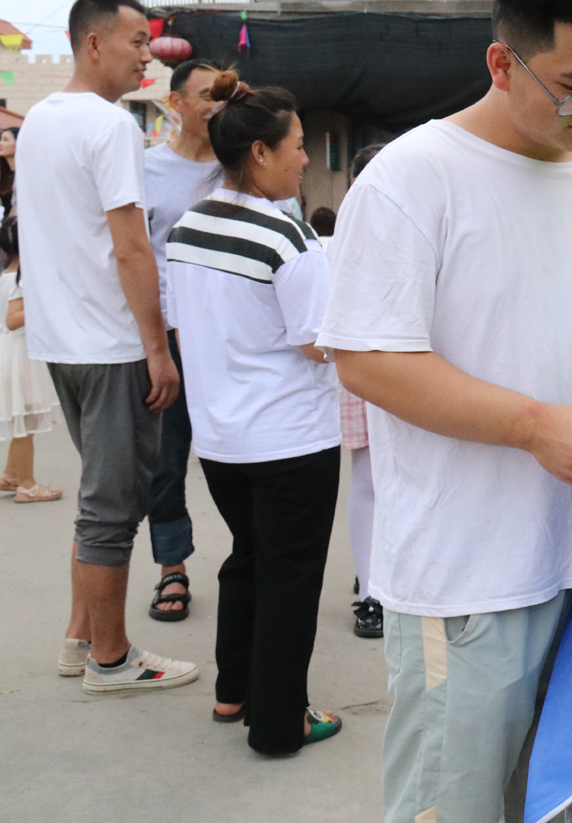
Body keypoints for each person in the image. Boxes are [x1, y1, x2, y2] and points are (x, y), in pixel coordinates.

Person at [319, 0, 572, 823]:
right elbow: (368, 358)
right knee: (455, 805)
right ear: (500, 63)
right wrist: (531, 426)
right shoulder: (412, 177)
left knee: (555, 807)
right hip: (466, 576)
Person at [18, 0, 192, 693]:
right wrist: (157, 348)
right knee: (113, 509)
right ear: (93, 44)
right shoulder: (110, 126)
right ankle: (113, 661)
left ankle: (78, 637)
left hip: (61, 338)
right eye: (135, 43)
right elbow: (131, 247)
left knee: (98, 500)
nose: (145, 56)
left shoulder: (38, 124)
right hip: (111, 341)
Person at [165, 70, 342, 753]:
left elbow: (190, 322)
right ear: (261, 153)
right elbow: (318, 345)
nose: (304, 157)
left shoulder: (189, 225)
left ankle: (232, 690)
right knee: (290, 579)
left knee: (248, 558)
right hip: (290, 439)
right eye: (297, 145)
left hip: (220, 438)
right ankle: (279, 722)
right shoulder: (286, 240)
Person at [140, 56, 224, 622]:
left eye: (225, 96)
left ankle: (255, 557)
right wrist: (150, 343)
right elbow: (130, 256)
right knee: (166, 462)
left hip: (226, 335)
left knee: (238, 455)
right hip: (168, 333)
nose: (217, 107)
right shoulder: (145, 170)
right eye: (206, 97)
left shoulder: (241, 167)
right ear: (176, 104)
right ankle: (173, 567)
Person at [340, 141, 385, 639]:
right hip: (364, 371)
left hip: (419, 371)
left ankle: (376, 571)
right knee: (369, 480)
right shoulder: (341, 240)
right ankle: (370, 591)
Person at [0, 215, 62, 503]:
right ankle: (27, 484)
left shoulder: (5, 275)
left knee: (21, 417)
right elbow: (13, 320)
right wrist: (44, 305)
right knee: (26, 420)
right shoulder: (24, 279)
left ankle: (11, 473)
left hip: (10, 351)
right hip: (21, 353)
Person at [0, 126, 18, 213]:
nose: (1, 143)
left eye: (6, 140)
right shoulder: (4, 174)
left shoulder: (25, 175)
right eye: (1, 139)